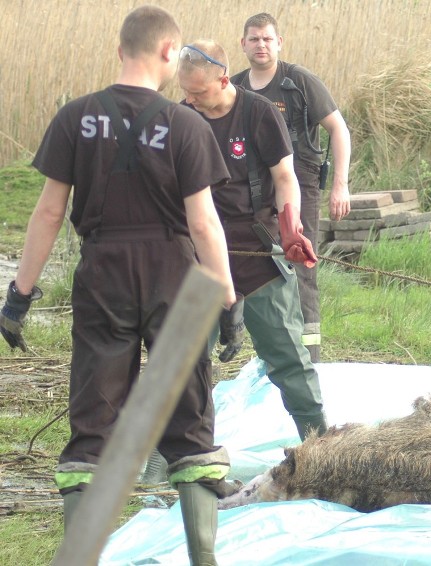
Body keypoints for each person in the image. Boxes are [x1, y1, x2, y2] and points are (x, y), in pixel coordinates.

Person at [0, 6, 241, 565]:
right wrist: (228, 298)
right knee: (188, 419)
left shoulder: (75, 117)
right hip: (174, 278)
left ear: (119, 51)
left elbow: (49, 212)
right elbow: (205, 223)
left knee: (95, 421)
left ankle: (80, 557)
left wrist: (19, 295)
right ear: (168, 53)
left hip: (102, 274)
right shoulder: (186, 125)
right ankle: (204, 558)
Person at [177, 39, 329, 441]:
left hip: (257, 255)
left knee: (291, 362)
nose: (189, 100)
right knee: (181, 366)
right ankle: (169, 465)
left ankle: (322, 448)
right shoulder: (180, 118)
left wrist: (291, 227)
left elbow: (285, 178)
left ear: (223, 78)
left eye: (198, 92)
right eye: (184, 92)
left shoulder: (259, 113)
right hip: (199, 263)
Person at [231, 12, 352, 363]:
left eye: (268, 38)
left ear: (279, 42)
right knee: (258, 267)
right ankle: (274, 352)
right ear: (243, 44)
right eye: (254, 38)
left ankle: (307, 356)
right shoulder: (234, 87)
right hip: (253, 192)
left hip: (300, 187)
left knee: (299, 265)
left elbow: (339, 130)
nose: (261, 45)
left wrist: (340, 185)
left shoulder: (298, 82)